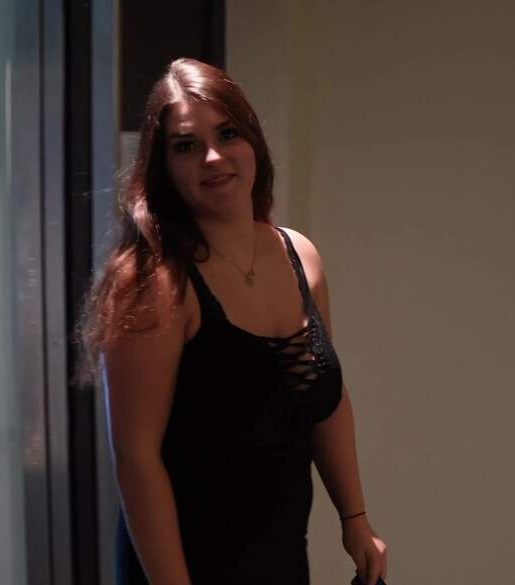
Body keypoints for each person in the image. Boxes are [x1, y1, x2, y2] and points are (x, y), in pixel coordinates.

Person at [75, 58, 388, 585]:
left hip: (280, 551)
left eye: (227, 134)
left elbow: (325, 397)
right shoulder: (153, 281)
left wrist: (354, 517)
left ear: (253, 142)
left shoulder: (300, 255)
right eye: (186, 145)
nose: (213, 157)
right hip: (184, 562)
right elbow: (137, 459)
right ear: (164, 167)